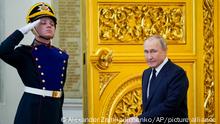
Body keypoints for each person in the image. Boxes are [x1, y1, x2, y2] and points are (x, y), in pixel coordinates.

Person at [0, 2, 68, 124]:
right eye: (42, 23)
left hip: (54, 112)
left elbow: (60, 91)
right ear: (33, 27)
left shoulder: (61, 55)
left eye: (52, 24)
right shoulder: (25, 53)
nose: (49, 26)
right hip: (31, 111)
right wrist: (22, 31)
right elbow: (2, 51)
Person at [125, 35, 189, 124]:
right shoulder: (146, 74)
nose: (149, 57)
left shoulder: (177, 74)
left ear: (165, 51)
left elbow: (170, 106)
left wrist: (141, 119)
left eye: (153, 51)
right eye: (146, 52)